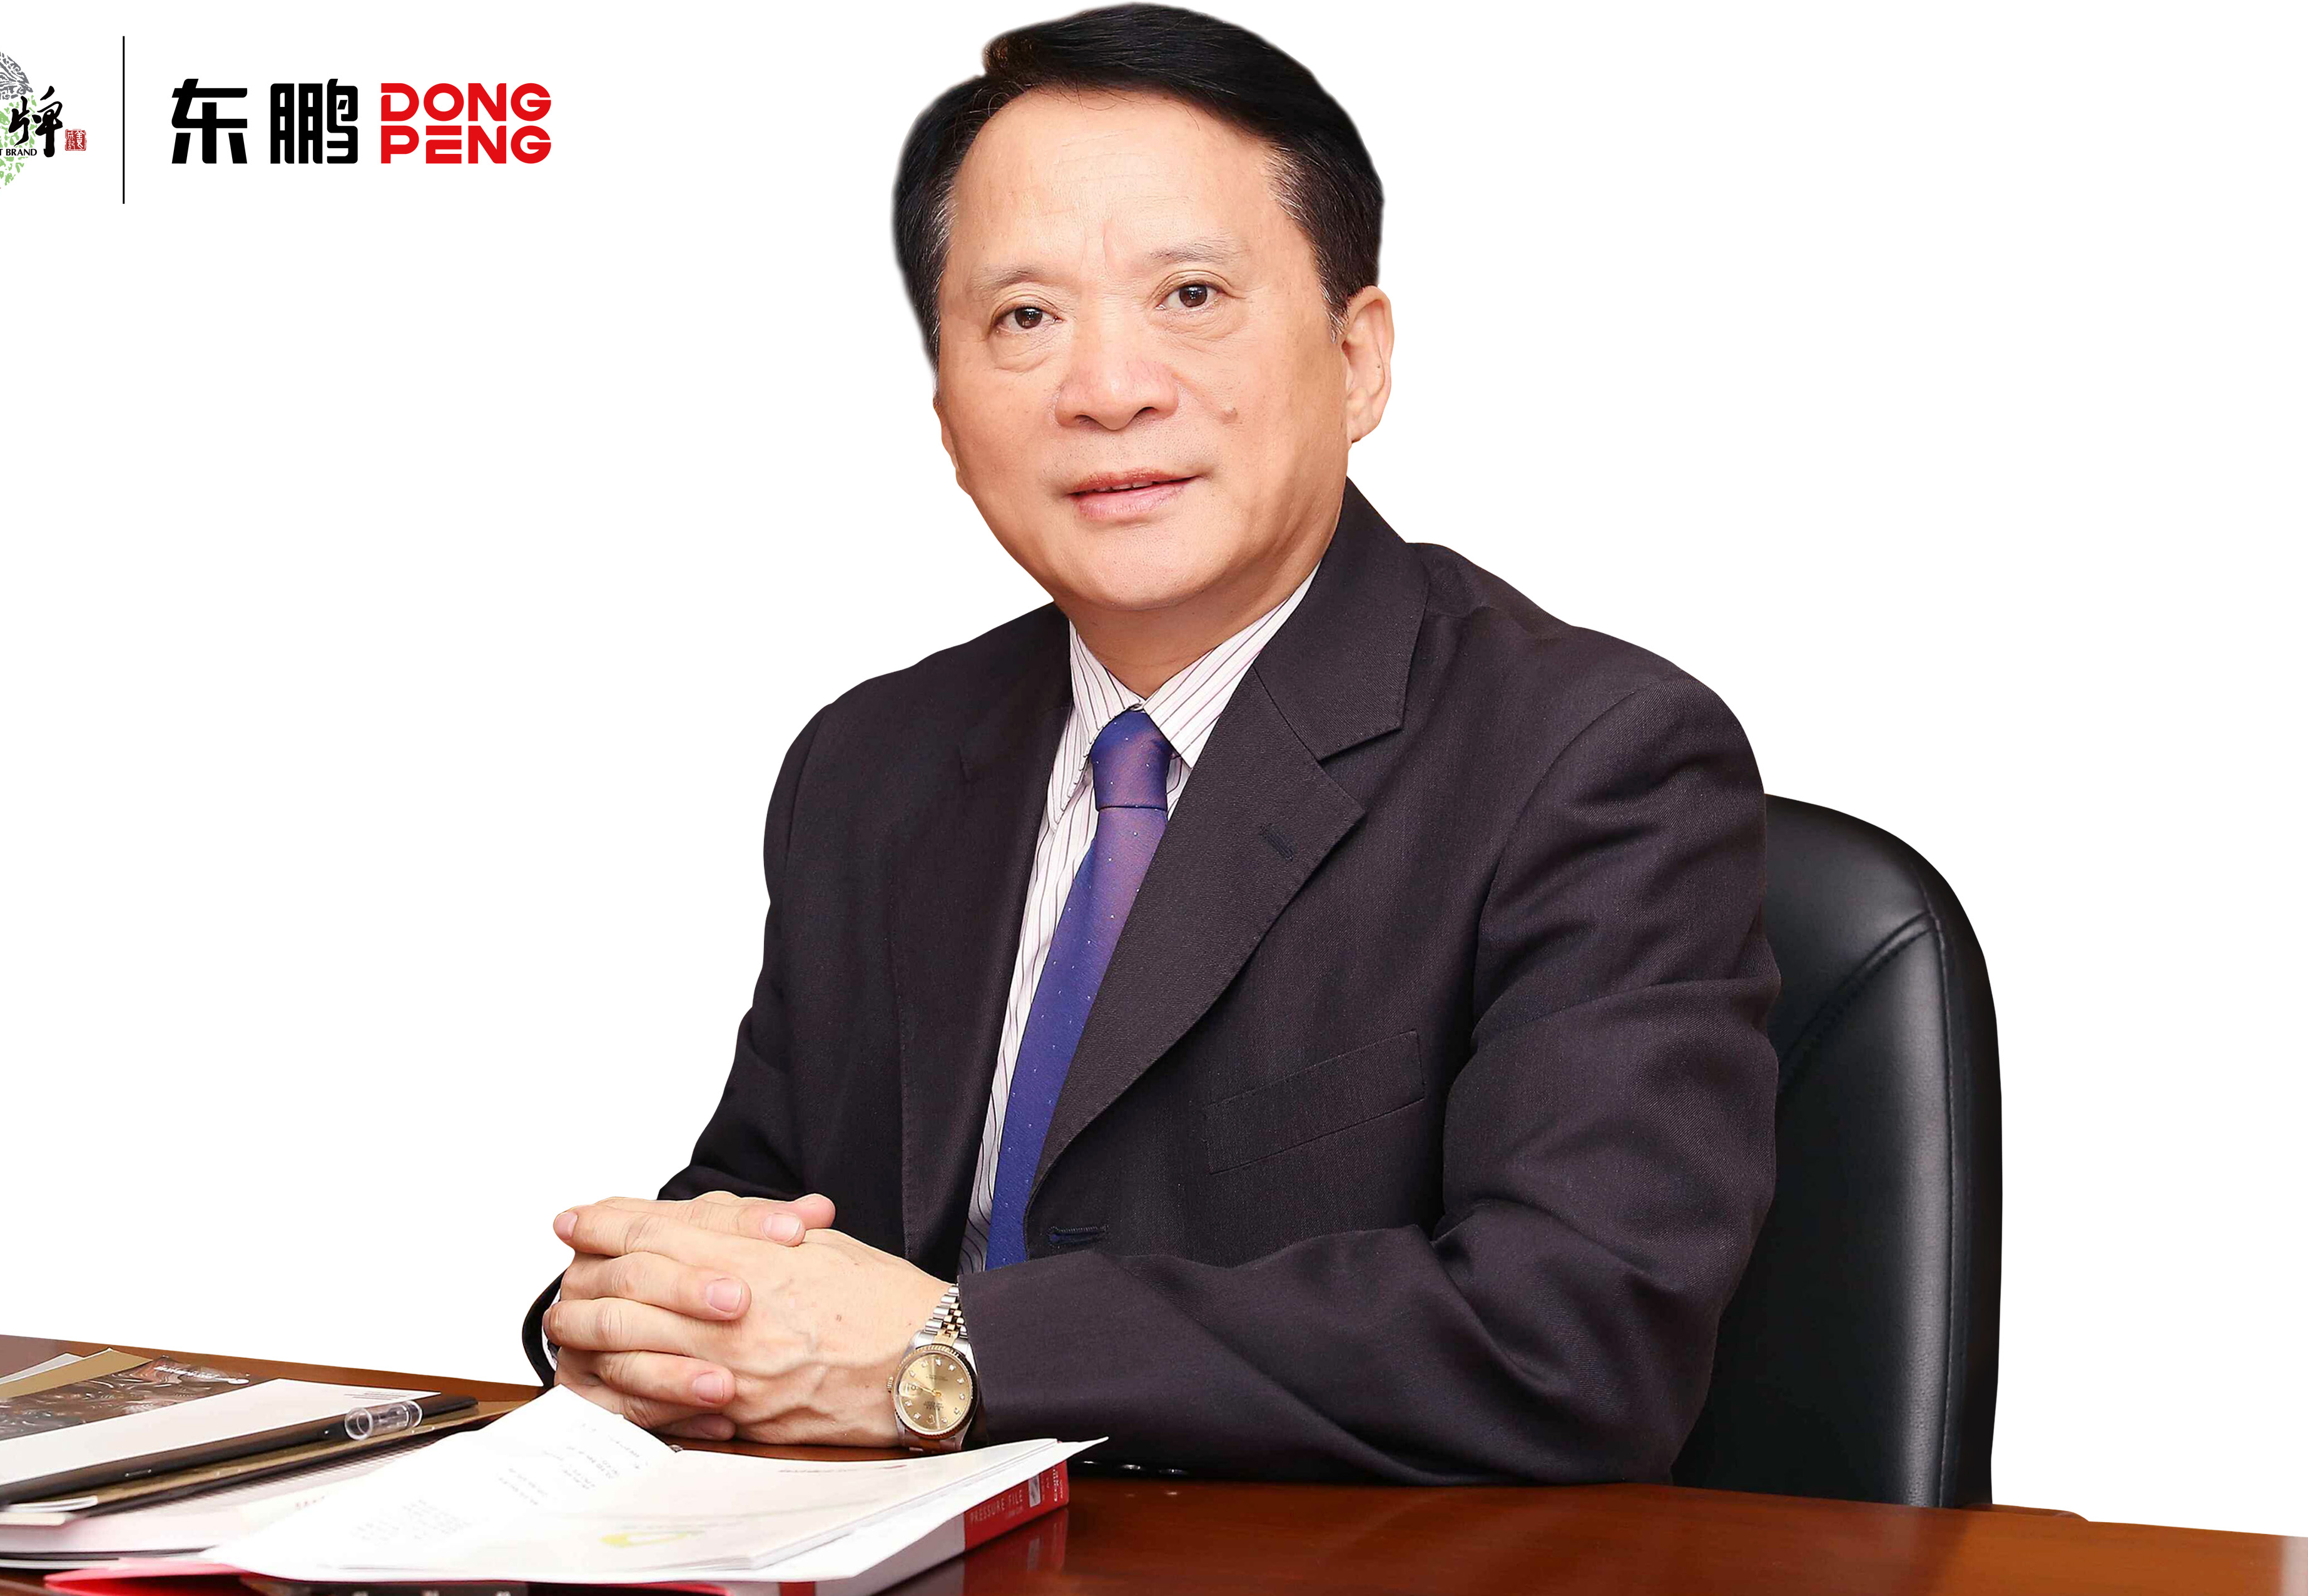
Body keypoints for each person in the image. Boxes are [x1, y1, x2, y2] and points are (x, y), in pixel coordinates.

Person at [526, 2, 1779, 1483]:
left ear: (1358, 358)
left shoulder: (1593, 758)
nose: (1107, 387)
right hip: (898, 1566)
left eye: (1190, 294)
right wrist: (636, 1315)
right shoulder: (872, 763)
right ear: (945, 408)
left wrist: (955, 1356)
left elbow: (1572, 1338)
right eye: (1024, 318)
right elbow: (765, 1206)